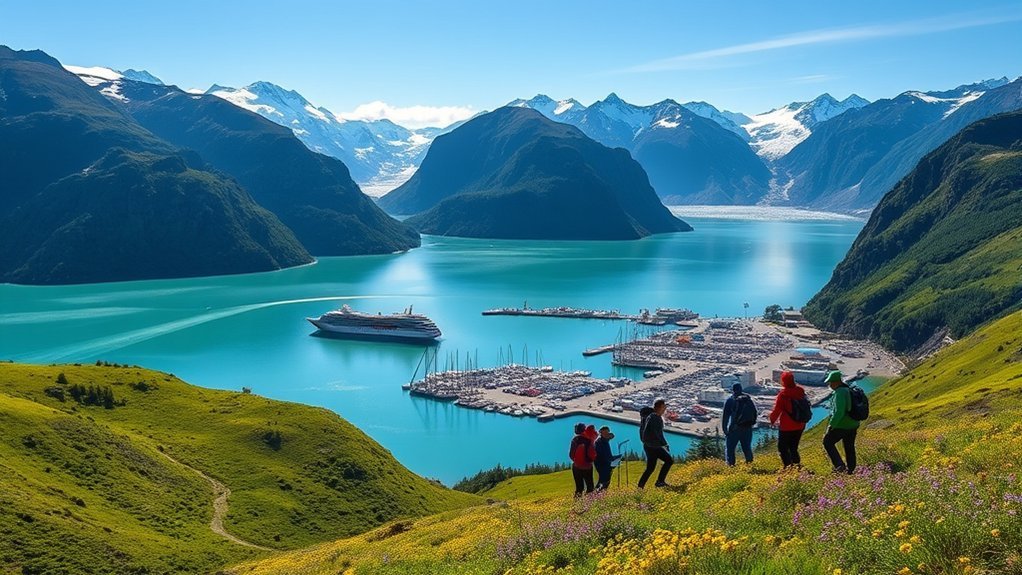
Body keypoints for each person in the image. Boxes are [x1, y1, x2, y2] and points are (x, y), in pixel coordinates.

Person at [769, 371, 809, 468]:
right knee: (793, 447)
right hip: (800, 424)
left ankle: (788, 467)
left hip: (787, 426)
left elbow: (777, 410)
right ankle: (796, 465)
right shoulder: (800, 390)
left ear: (784, 382)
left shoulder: (783, 394)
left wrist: (772, 420)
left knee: (782, 448)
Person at [823, 370, 859, 474]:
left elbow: (839, 412)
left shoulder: (839, 393)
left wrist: (831, 425)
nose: (830, 385)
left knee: (827, 442)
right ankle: (851, 470)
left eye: (830, 382)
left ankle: (839, 466)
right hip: (853, 424)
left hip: (842, 425)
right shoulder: (848, 389)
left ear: (836, 382)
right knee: (849, 447)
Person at [637, 398, 672, 488]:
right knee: (669, 461)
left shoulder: (651, 416)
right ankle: (659, 482)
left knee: (650, 468)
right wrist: (664, 444)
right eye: (664, 407)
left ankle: (641, 487)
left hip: (649, 445)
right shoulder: (654, 417)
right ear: (659, 407)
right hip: (653, 446)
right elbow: (657, 433)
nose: (665, 409)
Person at [721, 383, 756, 466]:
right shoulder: (748, 399)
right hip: (747, 427)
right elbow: (755, 413)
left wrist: (725, 429)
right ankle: (750, 465)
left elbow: (725, 416)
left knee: (730, 448)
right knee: (747, 447)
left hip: (735, 428)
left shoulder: (730, 400)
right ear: (741, 389)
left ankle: (731, 466)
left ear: (733, 390)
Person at [569, 422, 597, 496]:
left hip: (576, 466)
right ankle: (590, 501)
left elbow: (571, 455)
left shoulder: (575, 439)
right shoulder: (590, 438)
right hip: (588, 466)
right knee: (590, 487)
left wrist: (577, 461)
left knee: (579, 488)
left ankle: (577, 501)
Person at [594, 426, 622, 490]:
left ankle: (599, 493)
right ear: (601, 432)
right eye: (605, 432)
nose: (607, 434)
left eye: (607, 432)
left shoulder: (603, 440)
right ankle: (598, 493)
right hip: (602, 465)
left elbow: (612, 436)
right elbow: (606, 456)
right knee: (604, 481)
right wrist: (616, 457)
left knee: (605, 481)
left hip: (605, 464)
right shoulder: (600, 442)